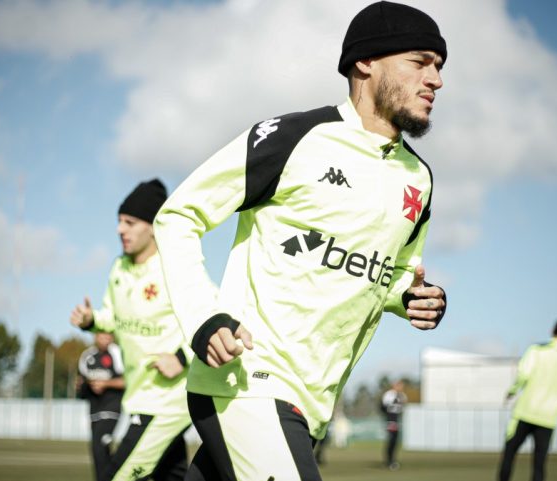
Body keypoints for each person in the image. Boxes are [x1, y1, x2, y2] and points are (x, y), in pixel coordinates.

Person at [153, 2, 449, 480]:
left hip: (312, 406)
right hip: (247, 382)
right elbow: (178, 215)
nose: (436, 79)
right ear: (365, 62)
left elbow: (392, 273)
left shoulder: (420, 179)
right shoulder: (293, 138)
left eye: (439, 67)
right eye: (420, 61)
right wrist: (203, 319)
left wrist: (410, 297)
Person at [70, 179, 192, 481]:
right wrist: (91, 321)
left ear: (152, 226)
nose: (119, 229)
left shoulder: (174, 268)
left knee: (117, 476)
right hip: (139, 396)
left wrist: (181, 357)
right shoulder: (118, 269)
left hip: (168, 401)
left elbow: (212, 319)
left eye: (130, 222)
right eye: (119, 222)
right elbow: (111, 319)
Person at [498, 319, 557, 481]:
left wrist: (512, 391)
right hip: (548, 417)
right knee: (539, 463)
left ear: (552, 330)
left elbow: (523, 375)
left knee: (509, 454)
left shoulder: (536, 350)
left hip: (524, 412)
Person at [77, 332, 125, 481]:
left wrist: (105, 383)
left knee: (100, 445)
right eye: (102, 336)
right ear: (95, 336)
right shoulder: (87, 356)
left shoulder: (117, 353)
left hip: (112, 408)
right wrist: (82, 385)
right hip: (94, 410)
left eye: (108, 336)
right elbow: (81, 383)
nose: (106, 339)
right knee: (98, 451)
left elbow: (127, 381)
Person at [381, 379, 408, 470]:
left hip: (397, 422)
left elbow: (402, 409)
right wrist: (388, 420)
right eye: (399, 385)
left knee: (395, 442)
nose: (400, 388)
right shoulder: (389, 395)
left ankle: (392, 459)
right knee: (392, 440)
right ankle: (390, 460)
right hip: (390, 421)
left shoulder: (403, 396)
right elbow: (383, 407)